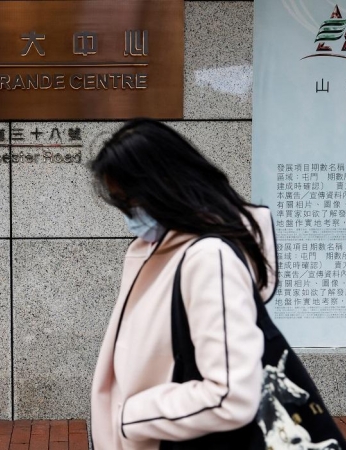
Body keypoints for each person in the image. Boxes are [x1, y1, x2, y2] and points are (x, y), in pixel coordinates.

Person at [89, 119, 278, 449]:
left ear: (163, 186)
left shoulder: (208, 259)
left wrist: (129, 415)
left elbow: (231, 395)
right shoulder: (156, 251)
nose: (129, 215)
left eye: (129, 201)